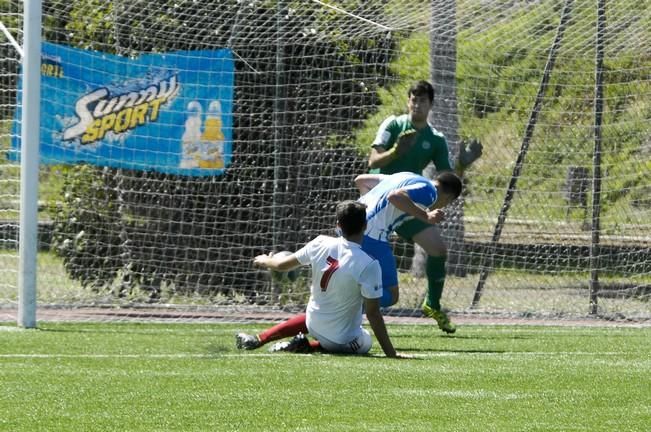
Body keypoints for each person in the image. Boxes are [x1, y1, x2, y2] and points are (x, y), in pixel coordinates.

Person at [236, 171, 461, 352]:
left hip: (354, 229)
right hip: (371, 236)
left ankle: (269, 336)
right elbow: (396, 198)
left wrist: (367, 207)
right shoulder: (431, 192)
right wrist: (426, 216)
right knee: (390, 295)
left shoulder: (403, 175)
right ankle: (344, 306)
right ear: (448, 197)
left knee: (333, 306)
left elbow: (362, 181)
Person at [366, 80, 482, 334]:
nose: (417, 104)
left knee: (438, 249)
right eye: (413, 99)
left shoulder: (435, 139)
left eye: (422, 100)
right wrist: (396, 151)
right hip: (380, 200)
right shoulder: (393, 124)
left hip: (408, 203)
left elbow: (446, 182)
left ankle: (432, 304)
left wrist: (462, 165)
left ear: (431, 105)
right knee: (361, 255)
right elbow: (373, 159)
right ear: (408, 101)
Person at [237, 200, 405, 358]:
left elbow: (282, 266)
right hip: (339, 339)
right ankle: (309, 347)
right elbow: (373, 313)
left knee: (320, 314)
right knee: (365, 341)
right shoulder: (369, 263)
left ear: (338, 225)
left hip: (312, 323)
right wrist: (392, 354)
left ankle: (259, 338)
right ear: (365, 226)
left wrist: (265, 260)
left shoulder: (320, 242)